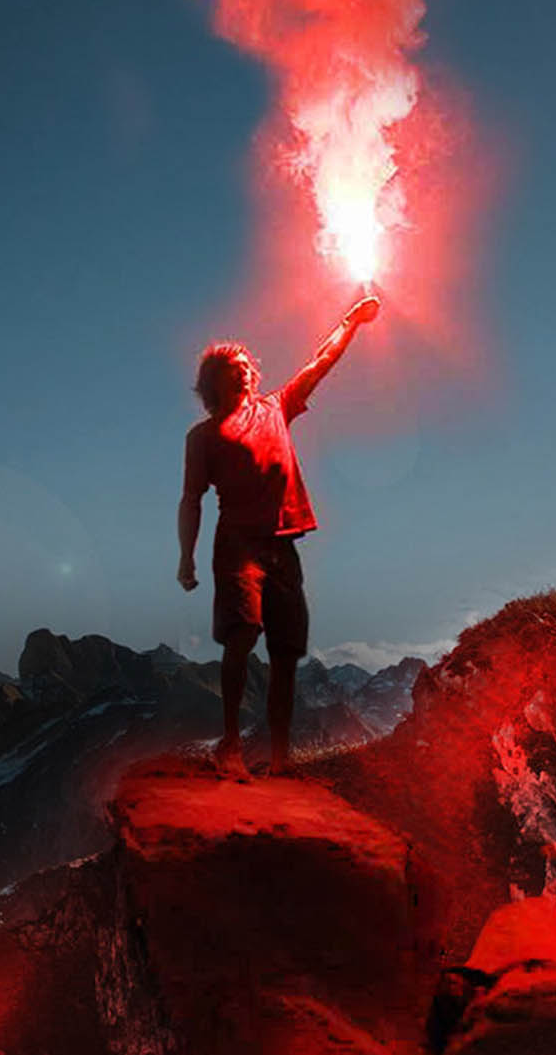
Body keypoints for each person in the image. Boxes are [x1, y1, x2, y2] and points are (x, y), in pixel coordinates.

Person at [177, 292, 382, 775]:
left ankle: (281, 758)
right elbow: (192, 499)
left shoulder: (277, 407)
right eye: (235, 365)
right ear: (215, 381)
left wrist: (351, 321)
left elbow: (320, 362)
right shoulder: (202, 438)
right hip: (237, 548)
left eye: (249, 363)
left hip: (283, 545)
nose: (246, 368)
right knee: (242, 635)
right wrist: (186, 558)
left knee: (286, 653)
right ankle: (230, 741)